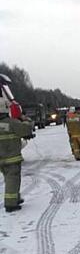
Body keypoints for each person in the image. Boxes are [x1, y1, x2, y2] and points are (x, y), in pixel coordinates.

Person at [0, 76, 34, 213]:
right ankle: (10, 204)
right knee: (13, 179)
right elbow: (25, 129)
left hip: (1, 159)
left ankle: (16, 197)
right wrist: (27, 120)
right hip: (11, 158)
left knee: (10, 179)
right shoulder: (11, 122)